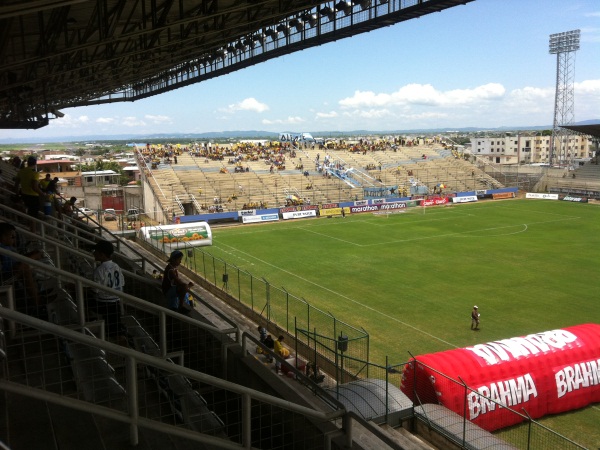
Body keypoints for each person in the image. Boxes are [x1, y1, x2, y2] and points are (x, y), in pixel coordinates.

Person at [0, 222, 42, 314]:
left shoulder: (8, 248)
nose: (14, 240)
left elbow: (17, 260)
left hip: (13, 273)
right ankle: (37, 301)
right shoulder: (2, 249)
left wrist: (32, 255)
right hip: (4, 279)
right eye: (12, 237)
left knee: (25, 264)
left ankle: (36, 297)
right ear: (3, 237)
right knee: (25, 268)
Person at [89, 240, 125, 339]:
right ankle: (120, 337)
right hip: (116, 301)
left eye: (95, 251)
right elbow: (122, 282)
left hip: (103, 303)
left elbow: (95, 290)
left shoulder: (99, 270)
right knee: (115, 325)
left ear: (102, 254)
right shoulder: (116, 266)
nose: (93, 253)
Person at [14, 156, 44, 231]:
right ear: (35, 163)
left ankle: (30, 228)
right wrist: (43, 194)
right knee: (33, 215)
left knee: (28, 211)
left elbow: (16, 184)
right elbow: (35, 187)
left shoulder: (21, 171)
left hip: (24, 195)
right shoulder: (35, 173)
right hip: (33, 197)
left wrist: (17, 194)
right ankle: (33, 233)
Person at [161, 250, 193, 314]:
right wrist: (187, 286)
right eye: (179, 260)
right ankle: (180, 306)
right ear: (173, 260)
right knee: (184, 287)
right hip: (168, 291)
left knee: (185, 290)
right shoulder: (170, 270)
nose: (180, 262)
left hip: (169, 289)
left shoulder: (172, 268)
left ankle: (182, 306)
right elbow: (179, 282)